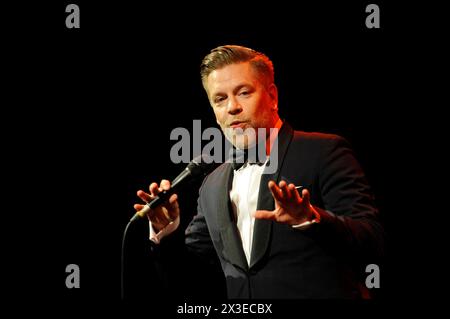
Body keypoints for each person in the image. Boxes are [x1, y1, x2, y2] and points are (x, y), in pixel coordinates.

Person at [133, 45, 384, 299]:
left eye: (243, 92)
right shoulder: (212, 184)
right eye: (220, 99)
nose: (232, 107)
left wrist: (309, 218)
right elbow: (190, 276)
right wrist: (167, 231)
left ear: (272, 96)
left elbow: (373, 242)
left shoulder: (323, 151)